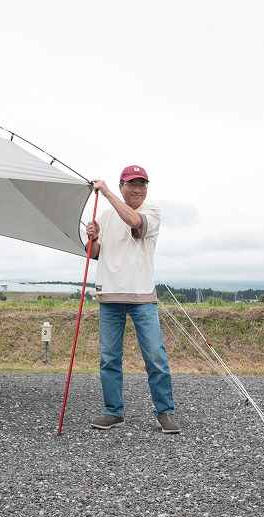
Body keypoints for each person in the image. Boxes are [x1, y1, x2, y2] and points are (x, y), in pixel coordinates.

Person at [85, 165, 179, 434]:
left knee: (155, 357)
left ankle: (165, 412)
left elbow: (135, 223)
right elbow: (93, 253)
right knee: (109, 358)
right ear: (122, 186)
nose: (137, 189)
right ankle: (114, 412)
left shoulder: (152, 212)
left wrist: (105, 193)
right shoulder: (104, 214)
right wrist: (91, 235)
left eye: (142, 184)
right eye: (131, 184)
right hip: (109, 294)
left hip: (142, 296)